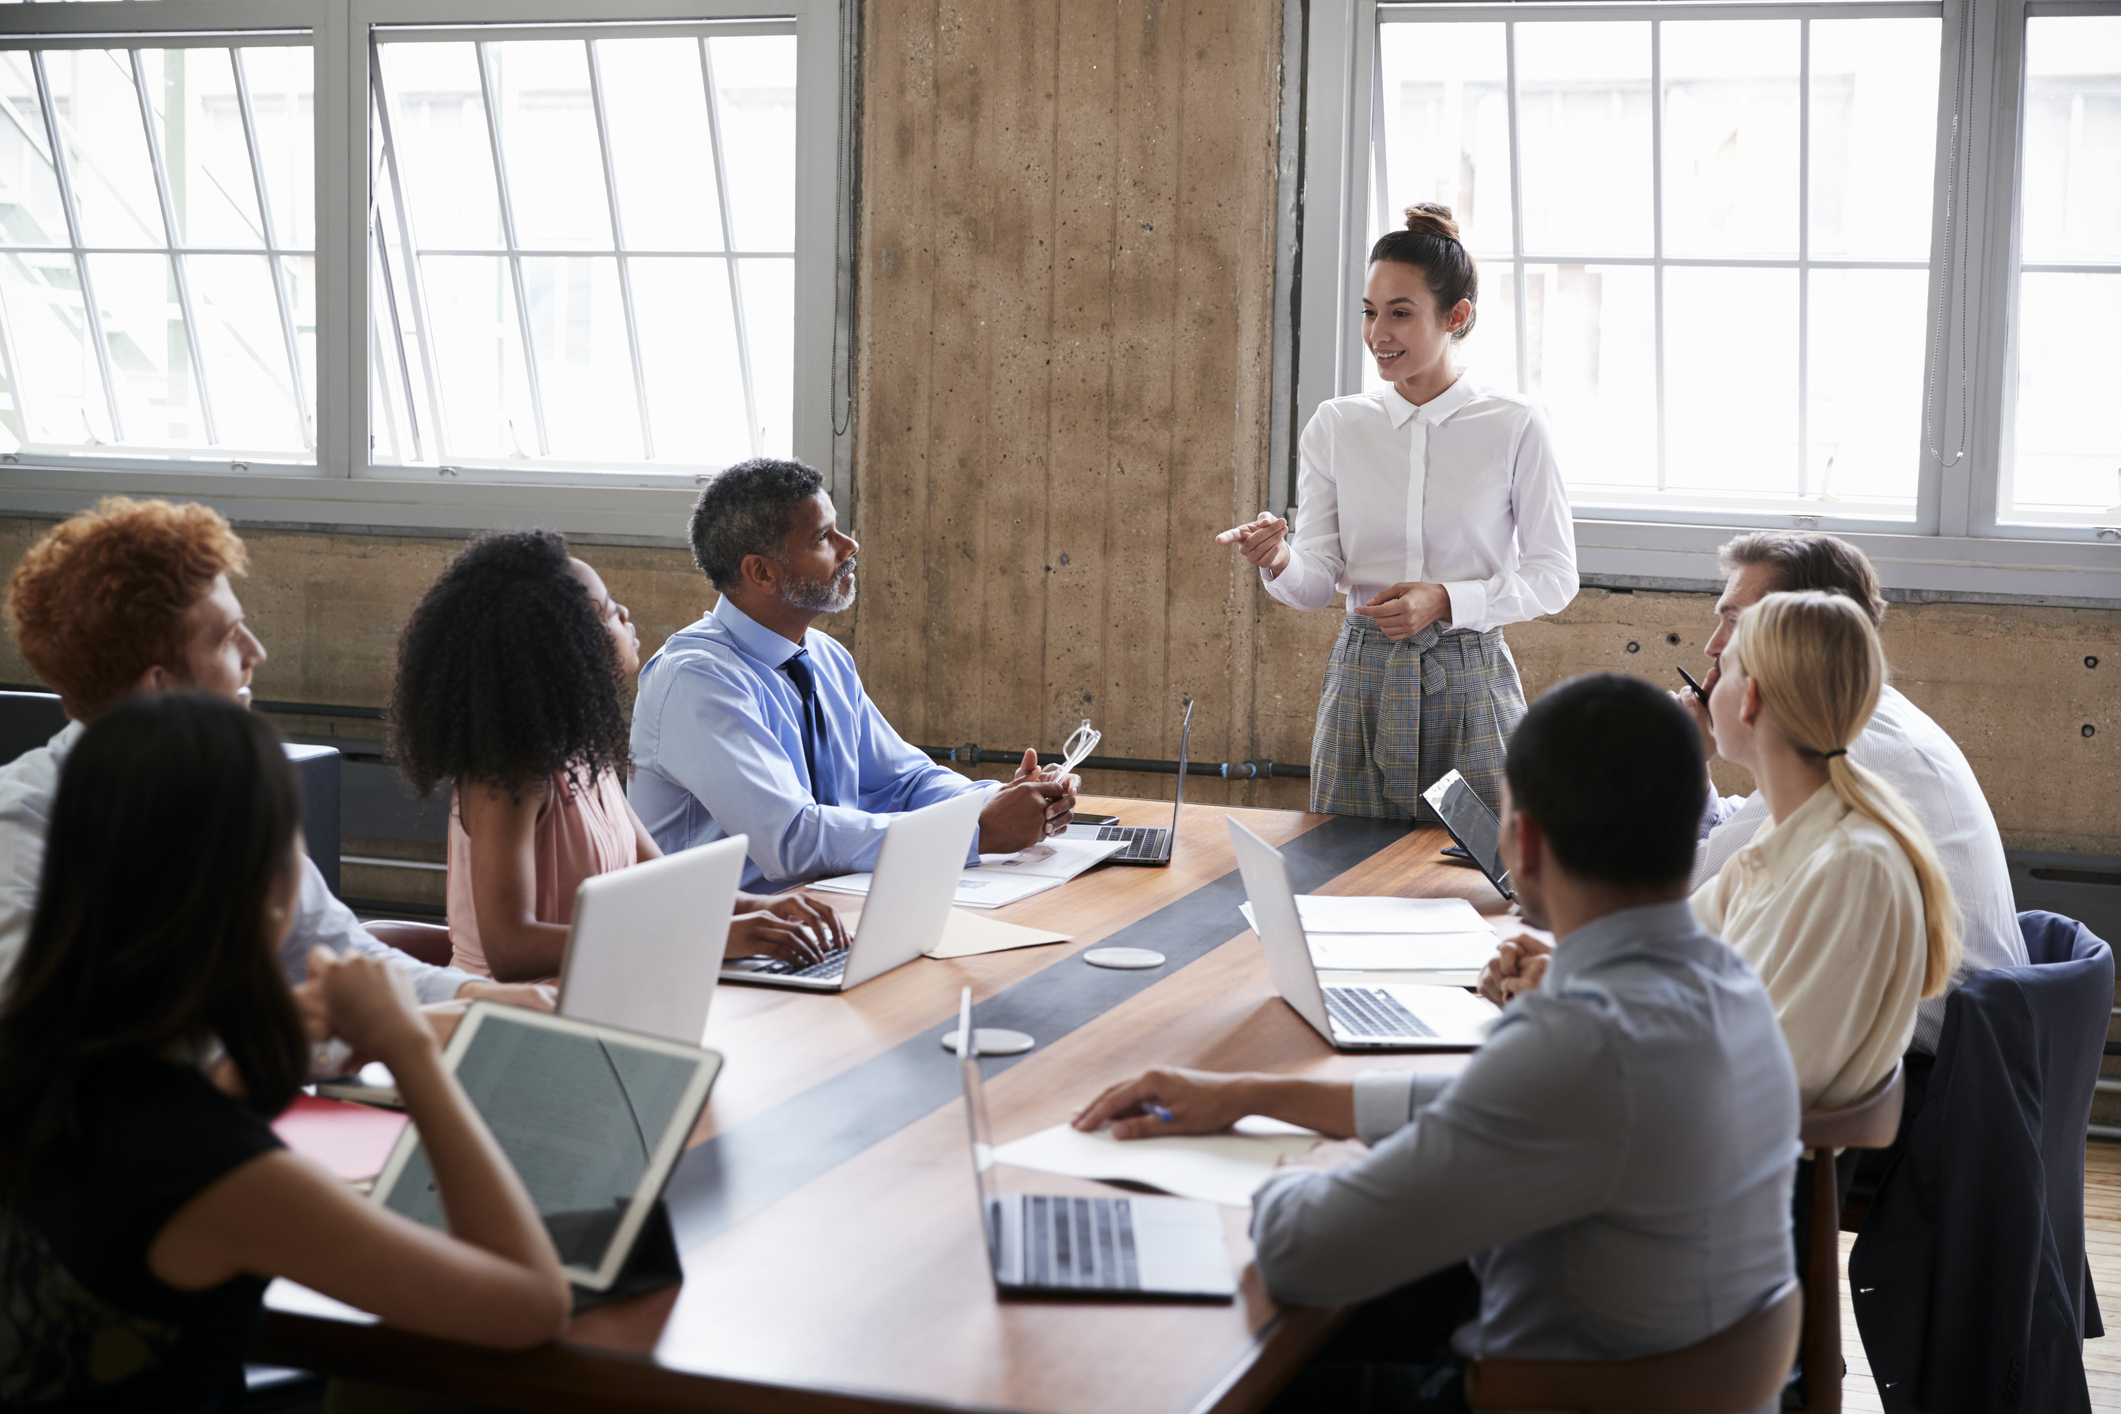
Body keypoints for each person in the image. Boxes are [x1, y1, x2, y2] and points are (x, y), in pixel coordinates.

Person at [1073, 675, 1798, 1412]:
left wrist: (1305, 1166)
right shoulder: (1728, 981)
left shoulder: (1577, 1044)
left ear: (1524, 841)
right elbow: (1481, 1106)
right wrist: (1252, 1095)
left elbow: (1300, 1254)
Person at [0, 693, 569, 1410]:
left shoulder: (49, 1063)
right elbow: (529, 1302)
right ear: (269, 891)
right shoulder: (213, 1171)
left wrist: (276, 1044)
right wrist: (407, 1051)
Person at [0, 497, 541, 1011]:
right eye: (229, 638)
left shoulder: (224, 793)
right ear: (159, 689)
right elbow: (60, 1033)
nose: (256, 652)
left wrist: (486, 1000)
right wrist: (335, 1035)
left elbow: (340, 953)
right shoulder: (21, 825)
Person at [1216, 203, 1577, 820]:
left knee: (1480, 877)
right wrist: (1278, 559)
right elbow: (1316, 583)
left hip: (1472, 679)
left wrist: (1444, 600)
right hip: (1363, 680)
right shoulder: (1338, 425)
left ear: (1456, 316)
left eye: (1400, 314)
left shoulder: (1514, 424)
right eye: (1370, 311)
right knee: (1343, 872)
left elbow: (1554, 577)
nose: (1378, 333)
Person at [388, 530, 845, 981]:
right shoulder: (507, 777)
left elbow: (663, 884)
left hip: (596, 994)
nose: (624, 613)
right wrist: (713, 935)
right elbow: (511, 950)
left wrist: (764, 909)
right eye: (606, 610)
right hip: (511, 1016)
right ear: (564, 644)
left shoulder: (584, 755)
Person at [629, 458, 1077, 891]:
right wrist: (976, 831)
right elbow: (792, 839)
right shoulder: (697, 680)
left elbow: (904, 781)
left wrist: (1004, 799)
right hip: (726, 940)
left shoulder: (822, 655)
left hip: (826, 911)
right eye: (823, 537)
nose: (850, 546)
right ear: (761, 571)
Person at [1680, 531, 2021, 1053]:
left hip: (1913, 1076)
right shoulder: (1857, 724)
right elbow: (1718, 886)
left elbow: (1684, 891)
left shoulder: (1854, 752)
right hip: (1907, 1053)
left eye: (1734, 623)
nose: (1712, 649)